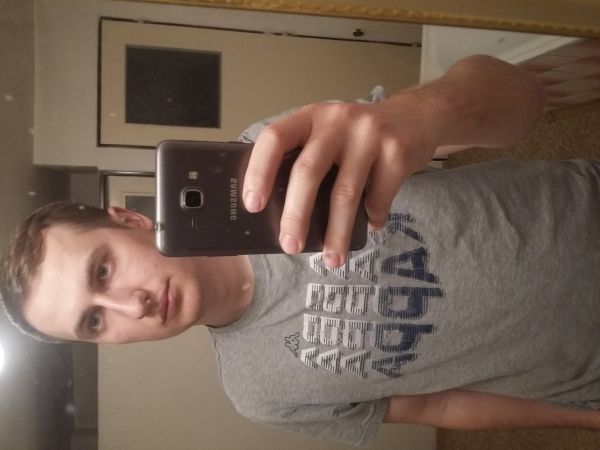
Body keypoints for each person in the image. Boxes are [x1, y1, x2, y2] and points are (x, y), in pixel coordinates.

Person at [2, 54, 600, 447]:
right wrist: (585, 416)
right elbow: (438, 406)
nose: (130, 306)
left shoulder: (264, 158)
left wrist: (420, 112)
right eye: (94, 321)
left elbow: (522, 98)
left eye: (103, 270)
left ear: (130, 219)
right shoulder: (260, 395)